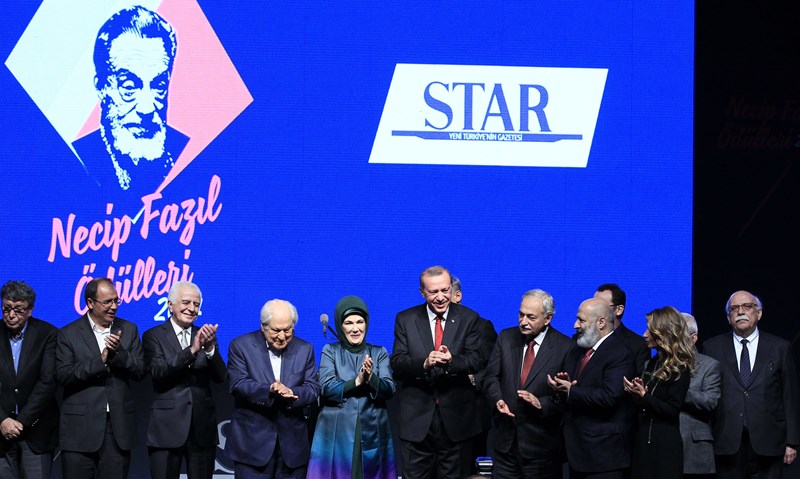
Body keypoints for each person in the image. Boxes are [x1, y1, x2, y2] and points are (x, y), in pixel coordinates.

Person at [72, 5, 189, 199]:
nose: (147, 108)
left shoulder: (187, 154)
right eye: (129, 87)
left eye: (158, 86)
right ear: (102, 87)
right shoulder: (77, 160)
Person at [389, 265, 485, 479]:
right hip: (416, 422)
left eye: (445, 290)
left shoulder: (469, 318)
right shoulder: (405, 319)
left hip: (457, 421)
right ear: (422, 292)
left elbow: (476, 359)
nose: (441, 297)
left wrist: (452, 361)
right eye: (433, 292)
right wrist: (424, 364)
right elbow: (397, 362)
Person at [702, 290, 800, 479]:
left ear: (759, 313)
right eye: (734, 308)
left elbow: (790, 396)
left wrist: (792, 441)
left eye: (747, 306)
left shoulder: (780, 347)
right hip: (726, 443)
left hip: (770, 443)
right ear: (728, 317)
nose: (740, 312)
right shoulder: (712, 348)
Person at [56, 277, 146, 479]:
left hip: (117, 429)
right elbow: (64, 375)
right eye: (107, 302)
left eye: (116, 301)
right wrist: (101, 360)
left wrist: (119, 354)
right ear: (90, 303)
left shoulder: (129, 329)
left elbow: (140, 370)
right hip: (79, 430)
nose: (114, 306)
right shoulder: (68, 333)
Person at [225, 299, 320, 478]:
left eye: (288, 330)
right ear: (263, 326)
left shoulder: (305, 349)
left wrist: (293, 393)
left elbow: (313, 387)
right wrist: (268, 390)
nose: (282, 337)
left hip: (292, 447)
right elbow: (238, 384)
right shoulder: (240, 346)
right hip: (252, 446)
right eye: (276, 330)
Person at [483, 289, 573, 479]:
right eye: (521, 314)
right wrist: (497, 399)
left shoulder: (565, 347)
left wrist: (542, 403)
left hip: (542, 448)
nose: (523, 321)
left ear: (548, 318)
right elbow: (491, 377)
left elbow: (569, 397)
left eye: (531, 317)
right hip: (505, 444)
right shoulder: (505, 337)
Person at [142, 281, 226, 479]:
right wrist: (192, 350)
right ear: (170, 305)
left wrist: (210, 349)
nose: (192, 308)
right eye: (186, 302)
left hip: (202, 428)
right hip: (167, 428)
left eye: (196, 304)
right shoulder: (153, 335)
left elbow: (221, 377)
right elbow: (158, 371)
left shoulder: (205, 335)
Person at [307, 295, 397, 478]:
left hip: (372, 430)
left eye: (360, 322)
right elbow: (326, 388)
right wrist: (356, 382)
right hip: (336, 431)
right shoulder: (330, 351)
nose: (355, 328)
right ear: (340, 325)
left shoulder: (379, 352)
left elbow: (389, 389)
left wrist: (371, 378)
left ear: (366, 323)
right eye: (349, 323)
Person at [547, 297, 635, 479]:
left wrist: (570, 391)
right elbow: (573, 390)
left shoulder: (620, 353)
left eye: (581, 320)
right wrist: (560, 388)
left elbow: (609, 396)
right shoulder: (577, 350)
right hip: (575, 453)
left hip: (603, 457)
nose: (575, 325)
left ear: (601, 322)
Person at [623, 306, 693, 479]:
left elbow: (672, 410)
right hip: (643, 441)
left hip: (665, 447)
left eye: (650, 330)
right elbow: (645, 405)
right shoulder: (653, 362)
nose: (644, 335)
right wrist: (635, 393)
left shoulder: (680, 368)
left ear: (664, 332)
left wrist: (644, 396)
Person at [0, 281, 59, 479]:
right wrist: (3, 420)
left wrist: (20, 422)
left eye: (18, 309)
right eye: (6, 308)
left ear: (30, 310)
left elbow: (47, 382)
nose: (11, 314)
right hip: (1, 429)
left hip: (36, 432)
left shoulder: (48, 334)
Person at [451, 275, 497, 461]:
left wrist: (472, 380)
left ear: (457, 296)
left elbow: (493, 365)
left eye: (445, 292)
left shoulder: (481, 326)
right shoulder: (427, 326)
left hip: (472, 414)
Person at [678, 312, 720, 479]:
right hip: (662, 447)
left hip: (694, 450)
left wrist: (679, 391)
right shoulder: (656, 365)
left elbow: (710, 401)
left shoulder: (709, 365)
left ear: (693, 338)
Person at [595, 283, 651, 375]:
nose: (594, 310)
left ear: (619, 310)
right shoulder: (583, 339)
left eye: (601, 306)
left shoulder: (638, 345)